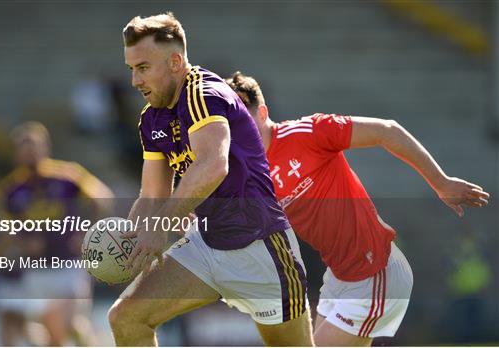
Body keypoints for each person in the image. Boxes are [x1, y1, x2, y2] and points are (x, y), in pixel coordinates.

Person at [225, 72, 490, 346]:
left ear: (263, 113)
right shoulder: (251, 175)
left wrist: (441, 183)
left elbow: (387, 130)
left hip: (374, 271)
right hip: (340, 278)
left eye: (245, 122)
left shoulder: (309, 132)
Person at [108, 13, 313, 346]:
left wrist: (158, 228)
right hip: (206, 245)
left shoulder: (203, 93)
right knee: (127, 318)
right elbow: (152, 194)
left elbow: (213, 166)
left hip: (260, 247)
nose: (135, 81)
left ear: (175, 62)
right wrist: (130, 240)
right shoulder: (151, 118)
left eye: (143, 68)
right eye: (131, 69)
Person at [0, 121, 113, 346]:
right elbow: (5, 227)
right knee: (54, 337)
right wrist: (23, 241)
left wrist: (88, 233)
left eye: (34, 146)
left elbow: (102, 198)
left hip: (70, 264)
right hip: (37, 270)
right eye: (24, 147)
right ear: (16, 154)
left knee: (69, 324)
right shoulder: (11, 189)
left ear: (46, 147)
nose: (30, 152)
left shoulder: (67, 175)